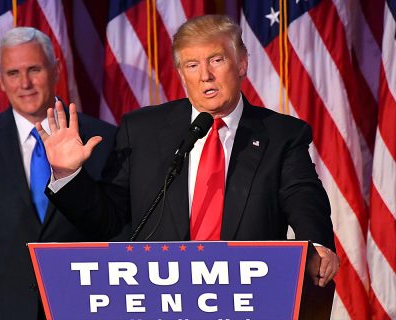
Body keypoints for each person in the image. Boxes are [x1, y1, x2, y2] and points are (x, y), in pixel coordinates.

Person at [39, 15, 339, 287]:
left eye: (217, 60)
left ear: (242, 63)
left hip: (247, 298)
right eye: (192, 65)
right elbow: (107, 221)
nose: (205, 75)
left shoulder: (282, 134)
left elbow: (303, 196)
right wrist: (68, 175)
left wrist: (316, 245)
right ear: (182, 74)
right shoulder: (141, 130)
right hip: (160, 300)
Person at [0, 27, 116, 320]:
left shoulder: (100, 138)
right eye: (13, 73)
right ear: (0, 79)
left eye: (34, 69)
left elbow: (115, 234)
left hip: (80, 305)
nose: (25, 83)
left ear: (56, 70)